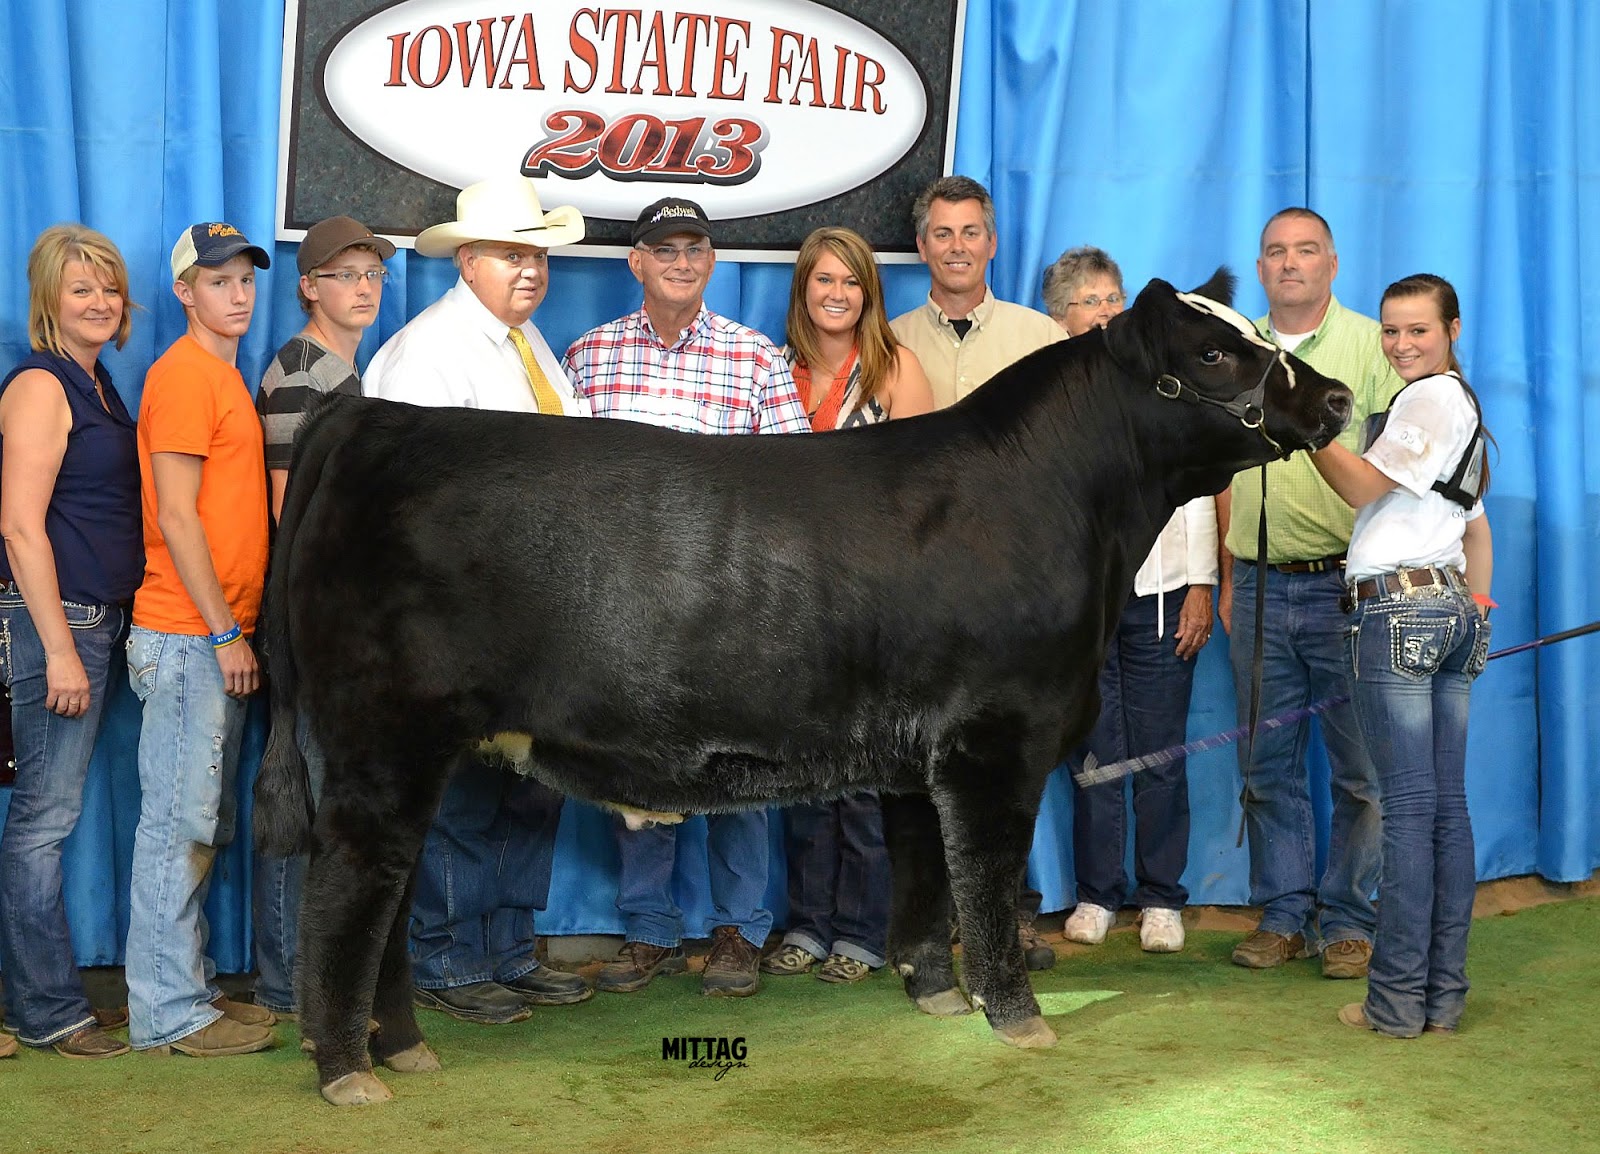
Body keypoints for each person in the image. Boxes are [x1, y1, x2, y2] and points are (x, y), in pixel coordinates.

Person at [564, 196, 810, 998]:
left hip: (733, 607)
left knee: (743, 769)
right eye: (662, 248)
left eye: (693, 248)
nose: (679, 261)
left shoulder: (755, 358)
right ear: (635, 262)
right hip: (629, 612)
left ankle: (738, 931)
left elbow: (792, 490)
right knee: (639, 768)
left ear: (711, 261)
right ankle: (650, 933)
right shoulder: (588, 357)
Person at [363, 175, 592, 1025]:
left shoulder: (534, 349)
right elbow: (412, 504)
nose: (529, 270)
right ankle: (449, 960)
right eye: (510, 254)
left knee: (531, 780)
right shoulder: (430, 352)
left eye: (536, 255)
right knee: (462, 784)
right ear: (467, 260)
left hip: (538, 615)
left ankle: (507, 949)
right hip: (461, 613)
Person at [1220, 207, 1403, 977]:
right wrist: (1229, 577)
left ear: (1332, 262)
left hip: (1346, 585)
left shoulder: (1373, 348)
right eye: (1274, 252)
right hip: (1259, 585)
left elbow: (1403, 469)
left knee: (1360, 770)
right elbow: (1217, 473)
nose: (1289, 263)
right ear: (1260, 269)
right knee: (1266, 764)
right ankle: (1285, 912)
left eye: (1305, 251)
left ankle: (1352, 921)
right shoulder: (1237, 352)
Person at [1310, 274, 1493, 1037]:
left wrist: (1304, 429)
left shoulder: (1428, 401)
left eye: (1418, 329)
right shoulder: (1464, 411)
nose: (1401, 344)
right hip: (1447, 608)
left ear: (1452, 328)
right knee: (1444, 808)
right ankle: (1440, 998)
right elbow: (1474, 526)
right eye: (1391, 330)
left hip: (1399, 614)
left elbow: (1358, 488)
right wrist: (1476, 619)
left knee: (1412, 811)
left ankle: (1392, 1004)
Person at [889, 175, 1063, 970]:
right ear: (921, 246)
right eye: (942, 234)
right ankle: (920, 930)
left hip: (1011, 591)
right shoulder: (886, 340)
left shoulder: (1042, 341)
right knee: (913, 760)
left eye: (970, 233)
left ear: (991, 243)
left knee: (1005, 752)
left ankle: (1005, 919)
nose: (956, 248)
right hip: (914, 594)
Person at [760, 226, 933, 985]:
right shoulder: (774, 370)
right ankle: (805, 923)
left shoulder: (896, 370)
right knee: (801, 778)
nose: (836, 294)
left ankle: (864, 934)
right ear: (804, 290)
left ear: (870, 292)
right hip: (792, 608)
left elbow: (927, 498)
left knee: (865, 782)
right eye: (823, 280)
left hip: (878, 607)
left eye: (850, 282)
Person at [125, 222, 276, 1056]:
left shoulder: (221, 375)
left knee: (198, 822)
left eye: (246, 280)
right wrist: (224, 631)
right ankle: (167, 1013)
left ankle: (191, 990)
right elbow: (176, 515)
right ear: (185, 292)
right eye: (219, 282)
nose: (238, 293)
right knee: (177, 825)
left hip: (210, 636)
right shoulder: (184, 377)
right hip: (189, 636)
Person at [1044, 247, 1215, 954]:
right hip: (1084, 604)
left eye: (1114, 298)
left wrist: (1201, 583)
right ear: (1061, 319)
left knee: (1160, 753)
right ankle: (1095, 894)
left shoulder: (1165, 384)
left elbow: (1199, 484)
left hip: (1161, 594)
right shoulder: (1050, 395)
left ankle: (1163, 898)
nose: (1108, 311)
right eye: (1091, 300)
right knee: (1093, 757)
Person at [0, 224, 143, 1058]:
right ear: (49, 300)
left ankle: (45, 999)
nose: (99, 302)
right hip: (64, 622)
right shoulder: (40, 387)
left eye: (110, 288)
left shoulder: (98, 384)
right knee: (42, 822)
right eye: (81, 288)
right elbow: (20, 527)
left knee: (51, 816)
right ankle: (49, 1011)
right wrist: (56, 647)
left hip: (101, 618)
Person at [251, 215, 395, 1018]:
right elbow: (290, 513)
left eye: (371, 274)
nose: (362, 288)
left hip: (332, 614)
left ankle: (299, 976)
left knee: (319, 792)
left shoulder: (342, 370)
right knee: (298, 792)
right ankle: (284, 983)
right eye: (345, 275)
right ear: (309, 286)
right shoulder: (305, 373)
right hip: (311, 616)